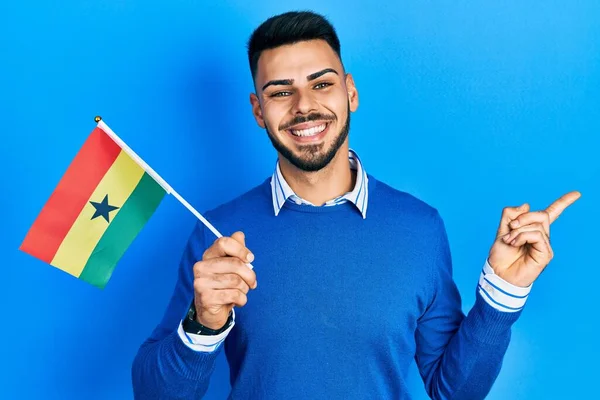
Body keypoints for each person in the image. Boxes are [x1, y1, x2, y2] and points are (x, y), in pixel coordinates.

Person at [131, 10, 580, 400]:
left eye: (321, 84)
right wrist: (202, 324)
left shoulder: (419, 228)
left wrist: (504, 291)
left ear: (350, 93)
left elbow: (455, 390)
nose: (304, 106)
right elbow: (156, 394)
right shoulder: (218, 235)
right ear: (257, 110)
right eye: (281, 91)